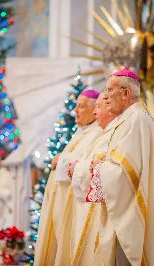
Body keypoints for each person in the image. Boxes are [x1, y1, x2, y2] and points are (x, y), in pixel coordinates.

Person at [77, 69, 154, 265]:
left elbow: (127, 172)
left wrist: (99, 168)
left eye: (110, 89)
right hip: (122, 207)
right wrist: (101, 166)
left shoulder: (137, 119)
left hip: (130, 211)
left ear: (126, 93)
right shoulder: (128, 119)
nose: (107, 95)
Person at [34, 90, 102, 265]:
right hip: (62, 199)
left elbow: (88, 162)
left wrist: (61, 159)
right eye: (76, 106)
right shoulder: (81, 132)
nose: (75, 111)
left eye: (80, 106)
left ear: (94, 108)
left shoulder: (98, 132)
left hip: (74, 203)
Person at [63, 92, 118, 265]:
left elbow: (112, 170)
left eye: (97, 107)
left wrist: (77, 167)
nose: (95, 113)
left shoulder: (108, 132)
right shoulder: (100, 131)